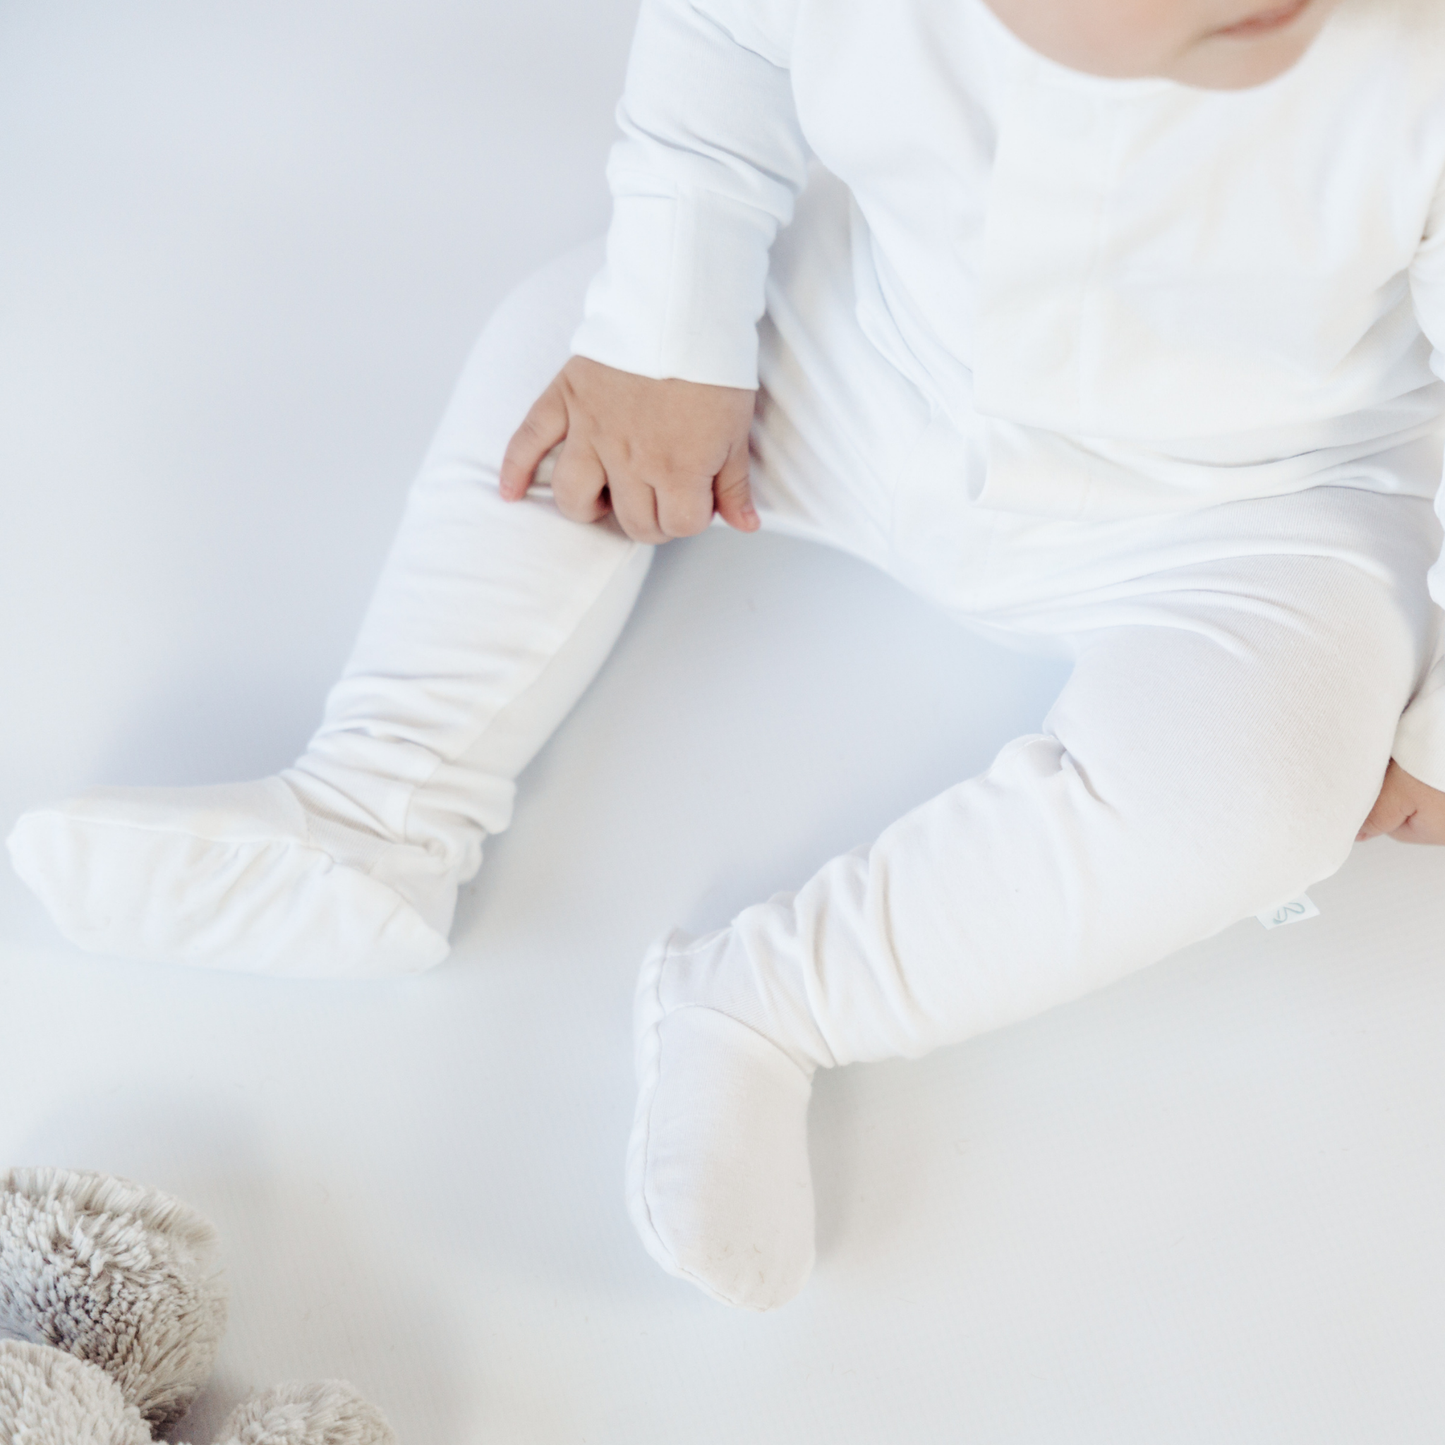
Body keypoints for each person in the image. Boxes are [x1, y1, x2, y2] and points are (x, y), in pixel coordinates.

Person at [9, 0, 1445, 1310]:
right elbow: (719, 51)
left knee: (1265, 791)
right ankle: (376, 810)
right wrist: (667, 338)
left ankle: (764, 1006)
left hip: (1258, 500)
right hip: (875, 357)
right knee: (563, 343)